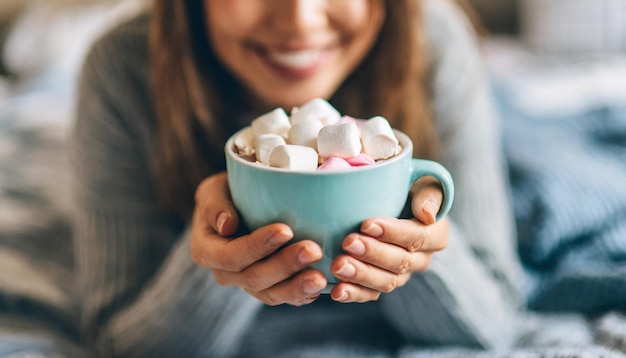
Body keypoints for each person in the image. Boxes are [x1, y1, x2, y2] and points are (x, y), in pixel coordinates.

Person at [71, 0, 525, 356]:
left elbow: (494, 322)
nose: (301, 21)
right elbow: (117, 344)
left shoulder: (434, 40)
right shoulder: (123, 68)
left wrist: (413, 238)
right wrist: (222, 253)